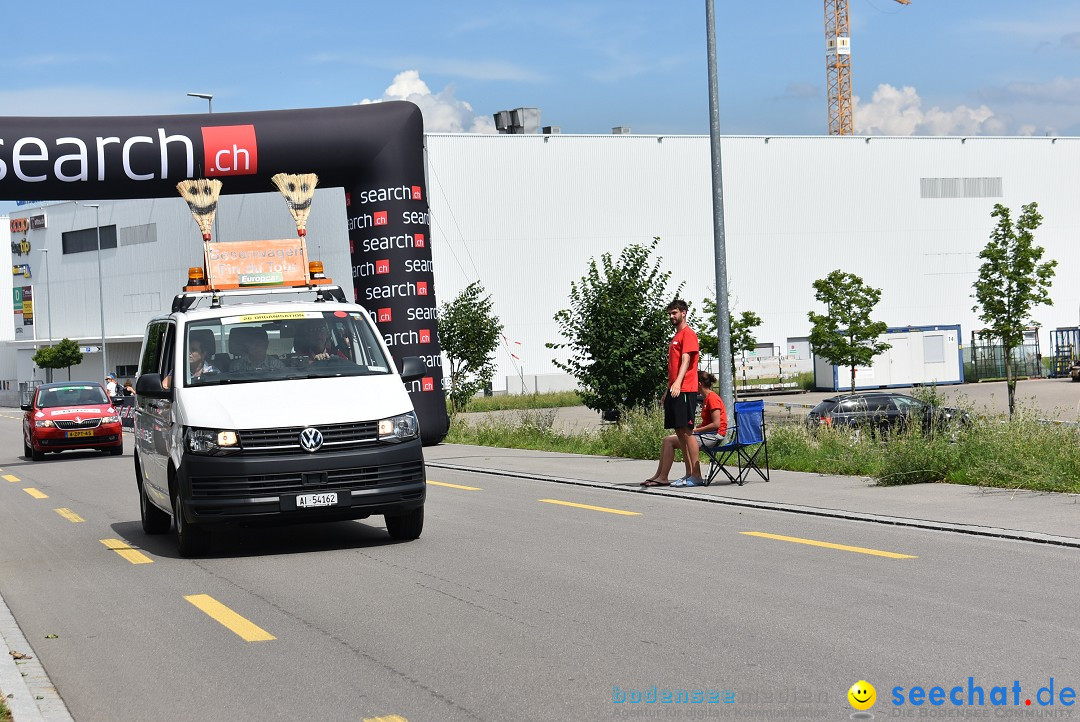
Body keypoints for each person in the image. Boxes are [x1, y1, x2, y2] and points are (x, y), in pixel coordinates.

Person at [642, 299, 699, 487]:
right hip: (675, 389)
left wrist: (678, 383)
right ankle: (688, 473)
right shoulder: (676, 336)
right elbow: (673, 367)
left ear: (684, 313)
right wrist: (668, 389)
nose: (671, 316)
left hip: (685, 389)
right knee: (679, 432)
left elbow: (685, 361)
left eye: (674, 313)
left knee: (687, 432)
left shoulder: (688, 334)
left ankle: (696, 475)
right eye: (670, 313)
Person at [645, 370, 726, 487]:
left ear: (698, 384)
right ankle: (660, 475)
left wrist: (695, 430)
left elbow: (716, 424)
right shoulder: (706, 398)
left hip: (714, 436)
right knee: (668, 439)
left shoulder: (712, 398)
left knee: (670, 441)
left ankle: (664, 476)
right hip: (706, 435)